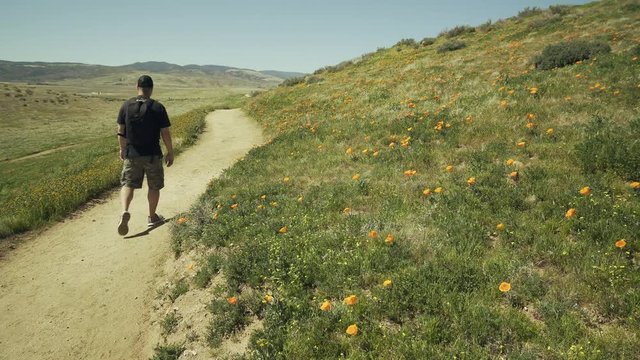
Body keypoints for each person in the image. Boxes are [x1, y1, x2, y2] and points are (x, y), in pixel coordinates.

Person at [116, 75, 174, 235]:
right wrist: (170, 152)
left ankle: (124, 211)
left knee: (128, 184)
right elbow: (165, 133)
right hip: (152, 154)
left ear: (137, 87)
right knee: (154, 186)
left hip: (132, 153)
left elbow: (121, 131)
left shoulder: (126, 106)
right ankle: (152, 217)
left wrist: (122, 149)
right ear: (151, 89)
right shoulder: (157, 107)